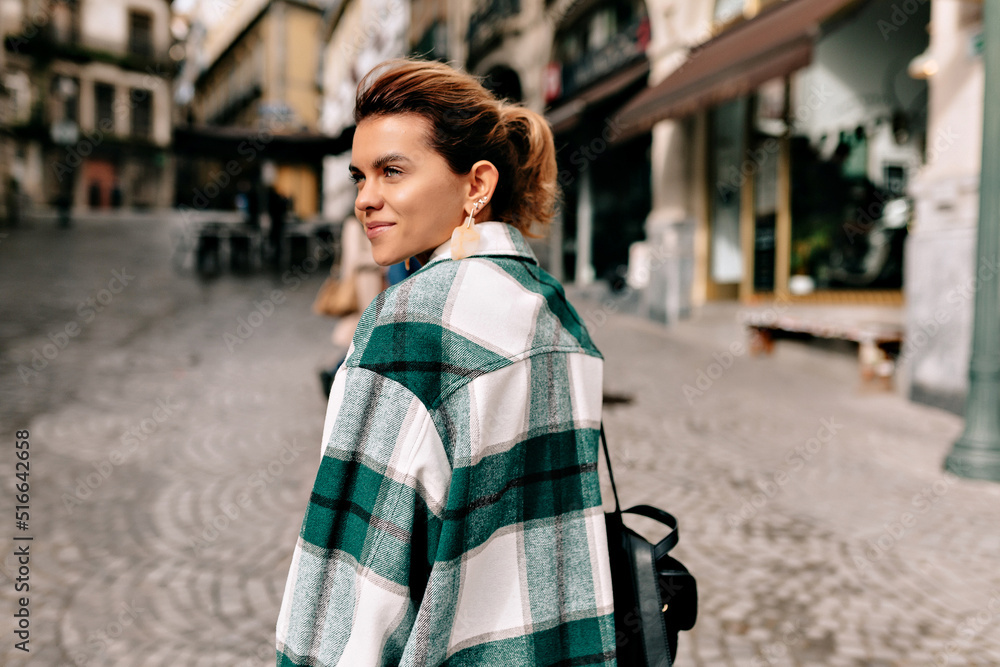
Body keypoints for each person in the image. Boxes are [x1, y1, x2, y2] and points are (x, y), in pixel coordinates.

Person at [276, 58, 615, 666]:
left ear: (476, 186)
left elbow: (349, 586)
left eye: (392, 171)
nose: (365, 199)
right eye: (359, 176)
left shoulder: (409, 329)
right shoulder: (559, 317)